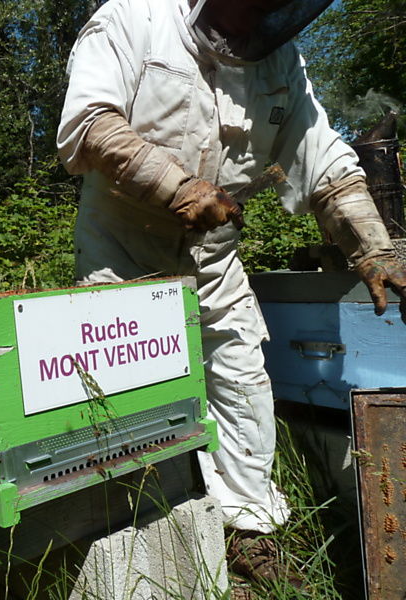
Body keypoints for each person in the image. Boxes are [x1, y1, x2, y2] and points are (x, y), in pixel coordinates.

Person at [57, 0, 406, 584]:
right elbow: (89, 124)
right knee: (130, 397)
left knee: (244, 384)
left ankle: (248, 534)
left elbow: (324, 161)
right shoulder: (132, 20)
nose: (254, 22)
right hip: (122, 255)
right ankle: (137, 536)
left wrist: (373, 248)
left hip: (215, 260)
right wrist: (180, 187)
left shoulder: (282, 62)